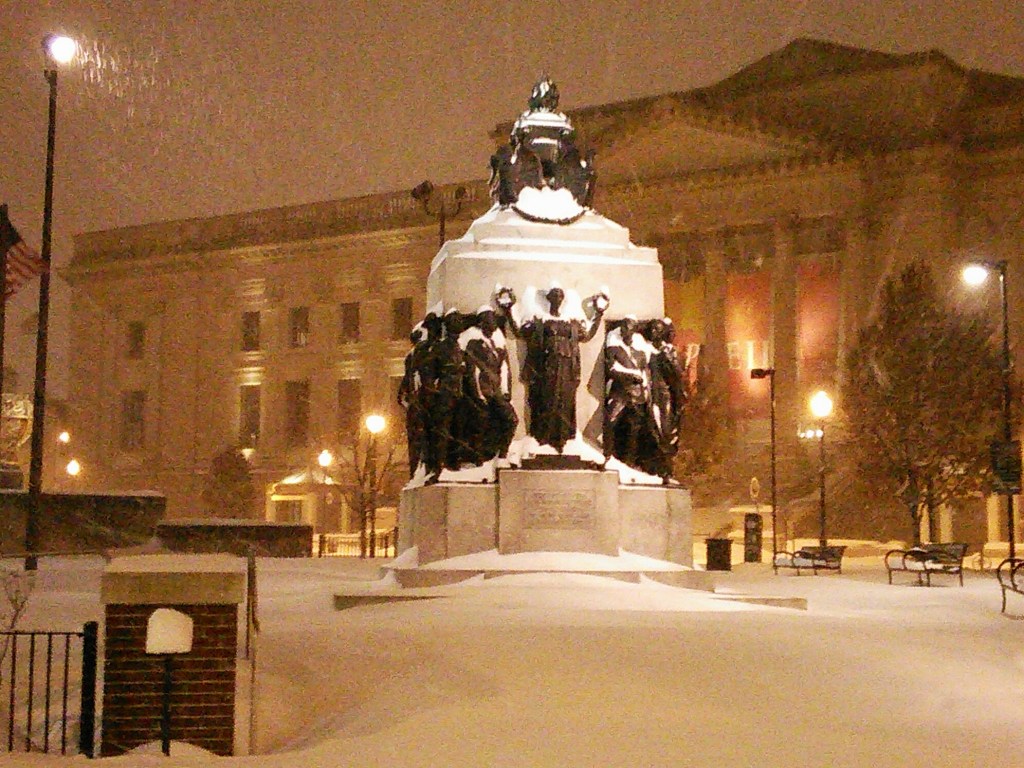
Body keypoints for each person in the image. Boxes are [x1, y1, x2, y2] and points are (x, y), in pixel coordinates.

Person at [496, 284, 608, 452]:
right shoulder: (540, 321)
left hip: (567, 369)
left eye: (559, 295)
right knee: (545, 401)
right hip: (545, 368)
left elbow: (587, 335)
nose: (557, 298)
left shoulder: (571, 323)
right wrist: (508, 311)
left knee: (565, 402)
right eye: (554, 295)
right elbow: (519, 332)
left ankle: (563, 438)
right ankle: (542, 437)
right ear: (548, 298)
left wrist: (599, 314)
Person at [463, 307, 518, 462]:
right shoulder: (474, 344)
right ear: (481, 323)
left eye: (493, 318)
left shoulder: (496, 344)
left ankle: (502, 453)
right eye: (489, 319)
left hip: (496, 392)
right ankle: (484, 456)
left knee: (511, 420)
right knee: (484, 425)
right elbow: (473, 371)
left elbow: (503, 368)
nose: (493, 322)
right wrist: (479, 395)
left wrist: (505, 391)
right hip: (485, 392)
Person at [603, 316, 650, 467]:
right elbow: (610, 370)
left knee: (635, 429)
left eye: (628, 328)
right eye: (623, 327)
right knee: (610, 420)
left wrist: (645, 388)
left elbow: (645, 372)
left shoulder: (640, 352)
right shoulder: (615, 349)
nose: (624, 331)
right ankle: (607, 454)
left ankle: (630, 461)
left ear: (634, 330)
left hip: (637, 394)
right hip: (620, 391)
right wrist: (628, 376)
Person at [397, 323, 428, 478]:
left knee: (417, 441)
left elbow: (406, 380)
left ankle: (416, 471)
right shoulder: (415, 356)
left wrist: (404, 398)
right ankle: (417, 471)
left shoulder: (413, 356)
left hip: (416, 404)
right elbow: (408, 378)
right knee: (418, 440)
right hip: (419, 405)